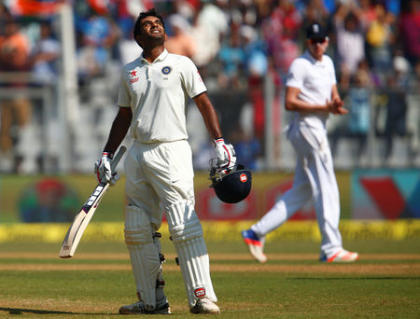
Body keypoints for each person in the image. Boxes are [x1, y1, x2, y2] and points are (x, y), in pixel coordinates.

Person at [95, 9, 235, 315]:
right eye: (147, 25)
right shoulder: (129, 71)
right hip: (138, 152)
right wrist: (106, 154)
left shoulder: (181, 64)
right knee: (136, 229)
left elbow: (203, 102)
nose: (155, 26)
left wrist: (220, 142)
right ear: (138, 36)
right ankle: (151, 301)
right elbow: (123, 116)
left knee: (183, 225)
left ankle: (202, 296)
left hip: (172, 151)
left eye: (158, 23)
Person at [241, 22, 358, 264]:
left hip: (317, 127)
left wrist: (335, 103)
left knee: (303, 189)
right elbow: (290, 102)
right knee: (327, 185)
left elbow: (334, 91)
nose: (318, 45)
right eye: (314, 41)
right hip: (307, 127)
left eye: (322, 40)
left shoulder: (328, 63)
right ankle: (331, 247)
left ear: (327, 40)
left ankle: (256, 232)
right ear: (308, 42)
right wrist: (324, 107)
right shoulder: (300, 65)